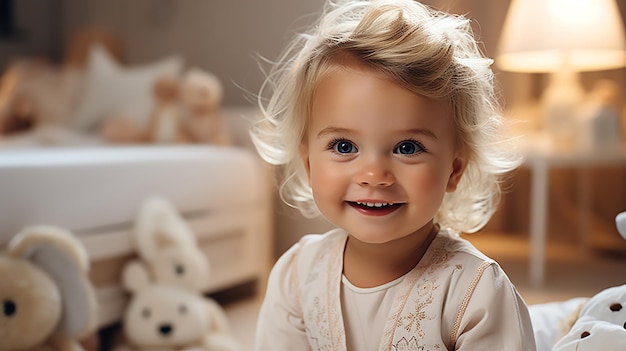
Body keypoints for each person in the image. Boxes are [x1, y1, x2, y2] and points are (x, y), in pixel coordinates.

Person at [250, 0, 536, 350]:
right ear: (309, 163)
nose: (374, 175)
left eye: (407, 148)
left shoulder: (474, 291)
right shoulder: (296, 276)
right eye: (343, 146)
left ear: (454, 169)